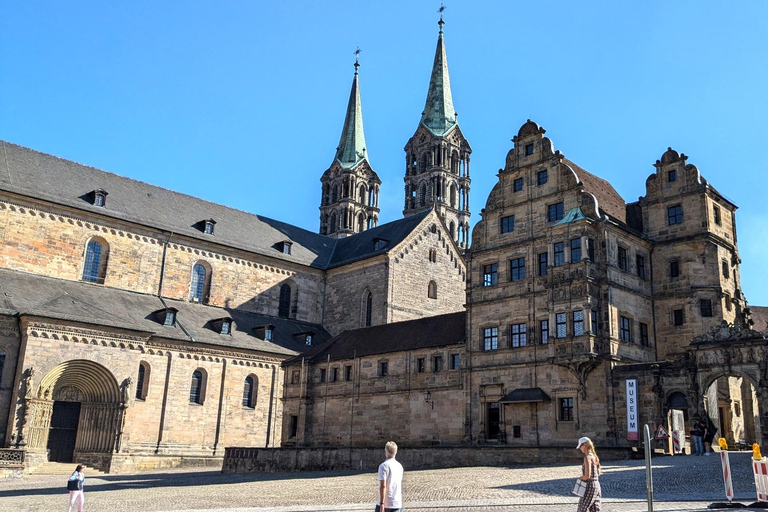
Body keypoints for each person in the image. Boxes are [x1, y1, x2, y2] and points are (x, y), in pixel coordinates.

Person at [576, 436, 601, 512]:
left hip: (589, 485)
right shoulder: (594, 457)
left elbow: (587, 475)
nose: (580, 448)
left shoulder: (587, 458)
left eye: (580, 446)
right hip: (596, 485)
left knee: (582, 508)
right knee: (595, 509)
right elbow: (597, 473)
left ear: (584, 445)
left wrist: (580, 478)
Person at [376, 441, 403, 512]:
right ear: (396, 452)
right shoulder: (399, 466)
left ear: (385, 452)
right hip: (397, 503)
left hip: (386, 504)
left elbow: (383, 486)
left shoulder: (383, 466)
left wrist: (382, 503)